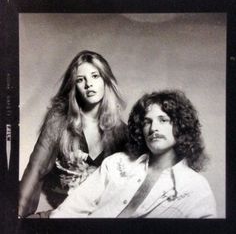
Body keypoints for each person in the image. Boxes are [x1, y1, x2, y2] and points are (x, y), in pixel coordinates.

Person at [49, 90, 217, 218]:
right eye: (147, 121)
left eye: (163, 120)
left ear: (180, 126)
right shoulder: (115, 164)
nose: (153, 128)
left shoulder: (196, 188)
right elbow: (68, 210)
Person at [18, 50, 128, 218]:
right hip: (58, 210)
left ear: (106, 80)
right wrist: (17, 216)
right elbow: (37, 168)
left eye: (95, 76)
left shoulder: (122, 131)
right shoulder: (58, 119)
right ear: (73, 86)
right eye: (80, 79)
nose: (89, 84)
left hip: (97, 214)